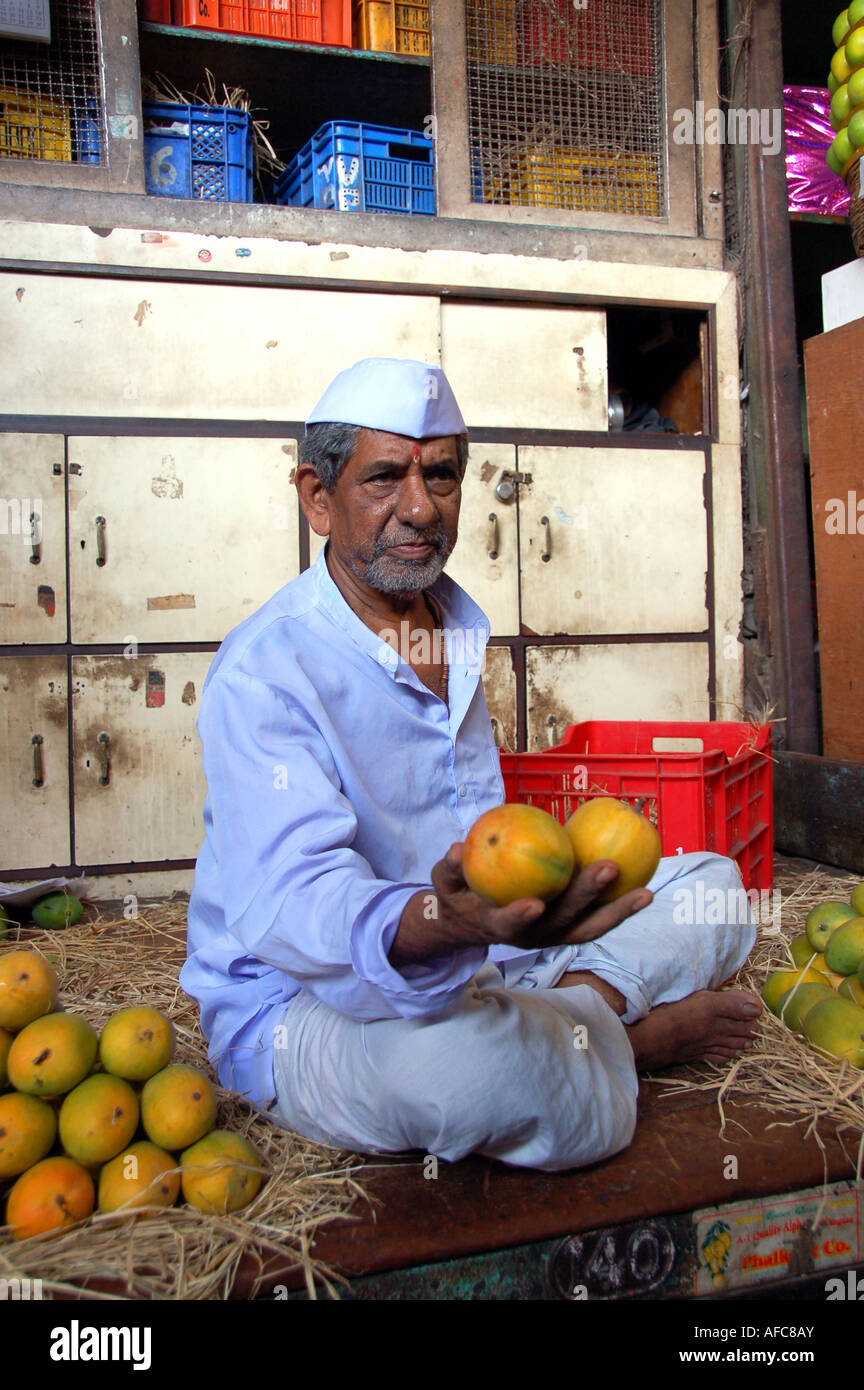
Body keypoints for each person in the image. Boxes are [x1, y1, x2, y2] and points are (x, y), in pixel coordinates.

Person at [180, 356, 762, 1173]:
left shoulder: (451, 625)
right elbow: (297, 910)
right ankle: (630, 1039)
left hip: (491, 953)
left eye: (443, 476)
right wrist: (439, 923)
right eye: (384, 478)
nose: (420, 508)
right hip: (306, 1004)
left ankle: (583, 1011)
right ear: (318, 498)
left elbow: (476, 837)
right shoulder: (266, 671)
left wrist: (504, 915)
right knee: (465, 1074)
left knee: (715, 888)